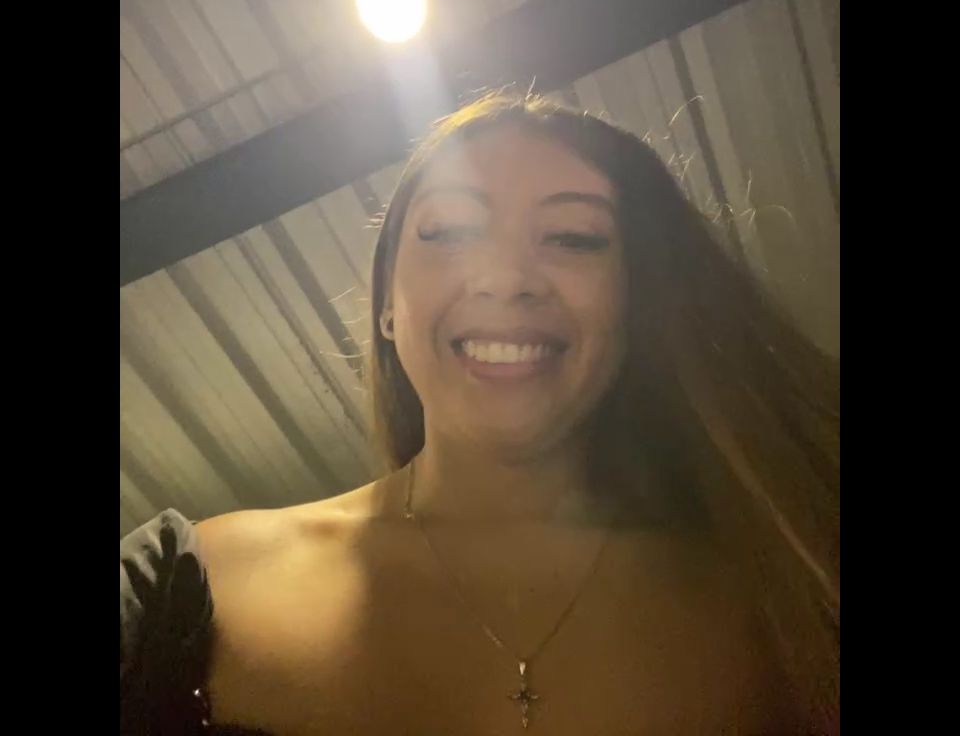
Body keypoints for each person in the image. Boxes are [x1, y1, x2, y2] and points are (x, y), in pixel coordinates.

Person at [120, 91, 839, 735]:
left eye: (574, 237)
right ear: (387, 305)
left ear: (637, 302)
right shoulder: (181, 585)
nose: (504, 278)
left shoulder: (790, 589)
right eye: (451, 231)